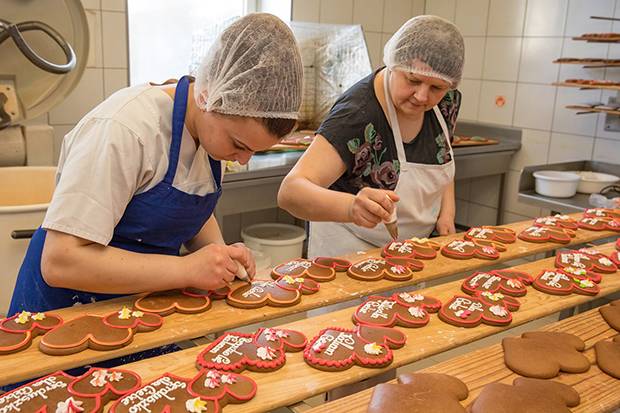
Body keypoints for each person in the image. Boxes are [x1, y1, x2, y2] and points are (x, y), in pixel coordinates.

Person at [8, 13, 303, 315]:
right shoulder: (125, 130)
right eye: (239, 145)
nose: (243, 159)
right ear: (210, 97)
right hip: (64, 314)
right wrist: (186, 269)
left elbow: (189, 211)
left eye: (253, 151)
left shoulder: (208, 136)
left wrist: (219, 257)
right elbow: (60, 261)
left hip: (139, 310)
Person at [278, 15, 464, 258]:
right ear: (394, 64)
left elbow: (442, 156)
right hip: (349, 250)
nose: (422, 96)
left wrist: (446, 213)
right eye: (413, 80)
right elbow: (291, 192)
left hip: (410, 252)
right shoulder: (358, 114)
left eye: (436, 88)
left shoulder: (446, 102)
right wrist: (351, 207)